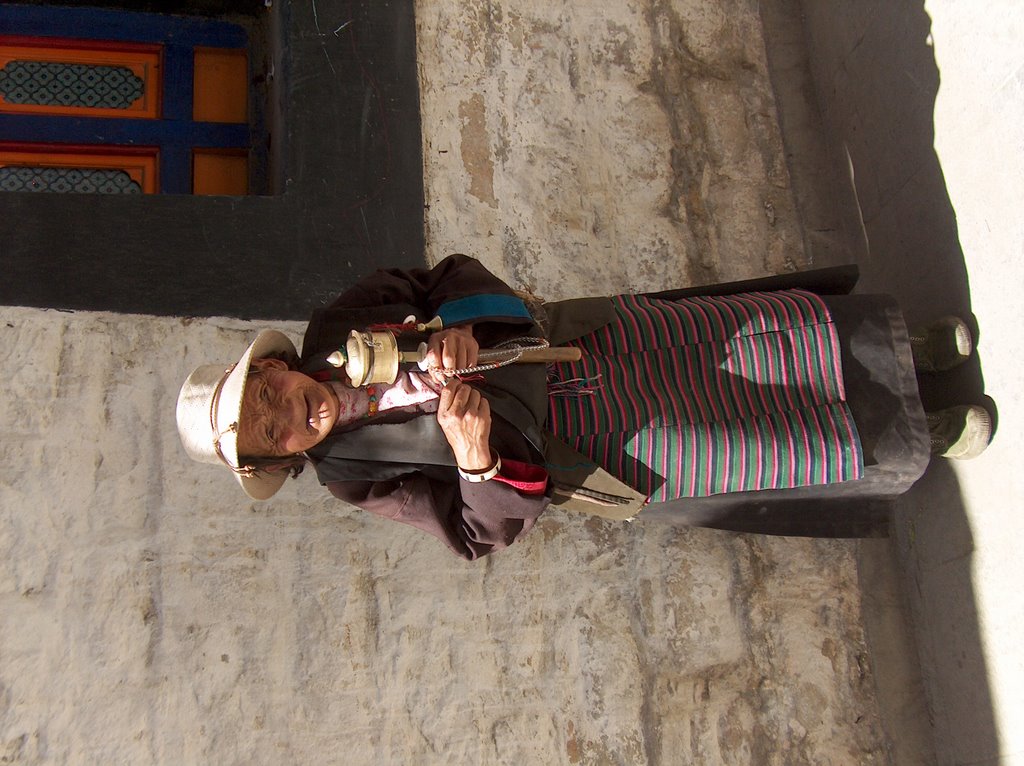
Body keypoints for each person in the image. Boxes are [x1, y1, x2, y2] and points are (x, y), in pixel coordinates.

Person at [176, 255, 991, 559]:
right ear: (281, 459)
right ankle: (923, 429)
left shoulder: (337, 325)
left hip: (587, 342)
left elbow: (440, 278)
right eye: (271, 432)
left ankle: (903, 351)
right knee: (749, 435)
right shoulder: (353, 473)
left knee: (746, 333)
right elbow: (470, 532)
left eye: (267, 391)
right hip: (594, 442)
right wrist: (474, 458)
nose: (289, 412)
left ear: (278, 365)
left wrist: (460, 327)